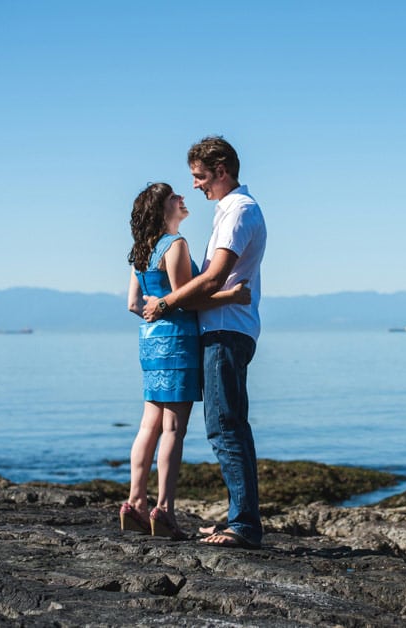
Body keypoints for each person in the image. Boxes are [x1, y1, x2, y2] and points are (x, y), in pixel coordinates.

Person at [142, 136, 267, 549]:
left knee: (224, 426)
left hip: (227, 329)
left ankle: (245, 526)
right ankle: (241, 519)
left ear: (221, 170)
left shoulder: (239, 212)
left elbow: (215, 278)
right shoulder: (227, 212)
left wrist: (165, 303)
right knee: (230, 425)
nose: (195, 185)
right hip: (225, 326)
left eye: (199, 177)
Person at [121, 182, 250, 537]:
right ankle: (163, 510)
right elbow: (187, 300)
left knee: (148, 425)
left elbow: (134, 304)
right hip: (178, 342)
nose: (182, 199)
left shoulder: (140, 250)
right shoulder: (174, 245)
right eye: (174, 198)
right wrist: (232, 297)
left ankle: (134, 504)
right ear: (164, 210)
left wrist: (156, 315)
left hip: (150, 344)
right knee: (173, 429)